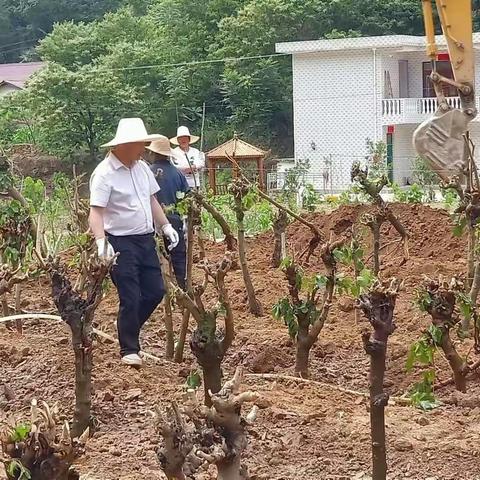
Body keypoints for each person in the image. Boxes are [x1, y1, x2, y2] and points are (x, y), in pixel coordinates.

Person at [89, 118, 180, 368]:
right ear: (124, 145)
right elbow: (96, 211)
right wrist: (101, 242)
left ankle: (125, 327)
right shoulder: (104, 174)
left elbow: (152, 201)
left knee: (155, 291)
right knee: (130, 295)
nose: (143, 149)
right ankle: (129, 348)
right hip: (120, 242)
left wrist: (165, 225)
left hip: (144, 239)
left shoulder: (142, 169)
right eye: (140, 144)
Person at [146, 136, 189, 290]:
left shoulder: (147, 173)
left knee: (156, 257)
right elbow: (186, 197)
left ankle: (163, 289)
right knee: (179, 257)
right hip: (175, 221)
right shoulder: (178, 174)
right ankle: (183, 288)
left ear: (153, 154)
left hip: (153, 223)